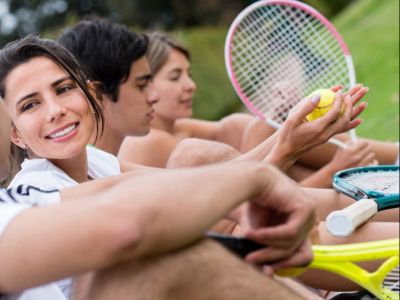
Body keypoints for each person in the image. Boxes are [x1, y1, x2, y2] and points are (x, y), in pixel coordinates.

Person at [0, 38, 320, 300]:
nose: (55, 110)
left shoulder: (95, 160)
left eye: (63, 88)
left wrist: (283, 144)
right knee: (166, 241)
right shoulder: (35, 186)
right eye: (30, 105)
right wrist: (276, 158)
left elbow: (182, 185)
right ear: (15, 132)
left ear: (87, 94)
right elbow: (138, 209)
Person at [118, 32, 398, 188]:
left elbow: (252, 135)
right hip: (258, 223)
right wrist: (332, 172)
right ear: (145, 84)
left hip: (275, 195)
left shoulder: (178, 128)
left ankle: (394, 155)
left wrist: (281, 114)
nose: (191, 85)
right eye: (175, 77)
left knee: (243, 126)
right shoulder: (147, 144)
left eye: (189, 74)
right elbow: (230, 215)